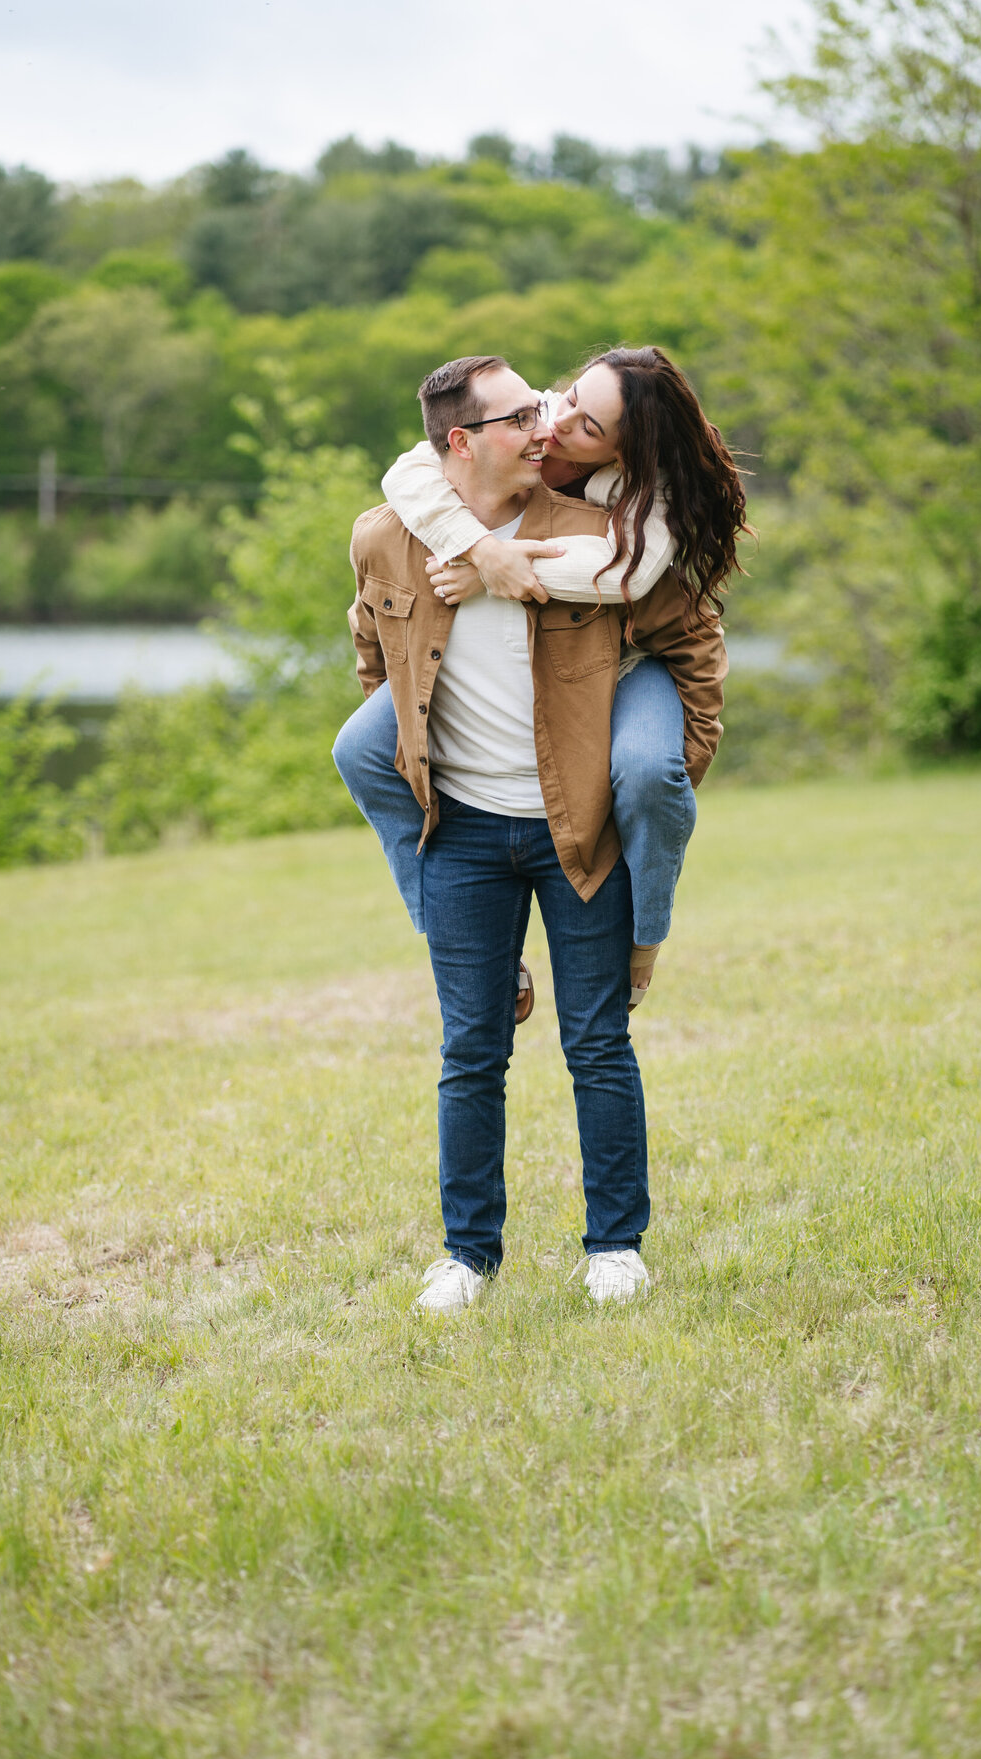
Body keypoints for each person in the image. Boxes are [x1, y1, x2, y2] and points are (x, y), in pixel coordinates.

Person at [340, 355, 727, 1314]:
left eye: (550, 409)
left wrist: (665, 776)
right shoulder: (387, 539)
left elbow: (691, 648)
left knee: (597, 1043)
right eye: (522, 415)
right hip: (463, 836)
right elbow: (371, 655)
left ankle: (616, 1246)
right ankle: (467, 1256)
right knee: (470, 1050)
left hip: (576, 831)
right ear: (463, 443)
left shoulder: (604, 538)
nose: (546, 424)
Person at [338, 346, 749, 1010]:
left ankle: (643, 940)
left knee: (647, 769)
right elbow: (411, 471)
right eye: (567, 398)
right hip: (503, 658)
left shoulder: (640, 501)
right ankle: (447, 927)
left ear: (623, 454)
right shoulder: (523, 428)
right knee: (358, 749)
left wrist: (496, 573)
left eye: (589, 428)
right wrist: (479, 549)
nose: (555, 427)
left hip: (624, 663)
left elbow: (637, 586)